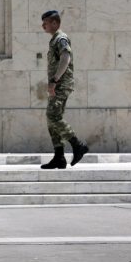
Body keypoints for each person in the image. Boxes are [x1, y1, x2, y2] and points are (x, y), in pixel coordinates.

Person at [40, 10, 88, 169]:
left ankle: (77, 145)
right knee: (51, 118)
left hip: (61, 84)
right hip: (58, 84)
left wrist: (55, 80)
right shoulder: (54, 40)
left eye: (45, 23)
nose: (43, 26)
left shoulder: (61, 38)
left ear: (54, 23)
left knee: (52, 116)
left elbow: (66, 58)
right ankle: (59, 156)